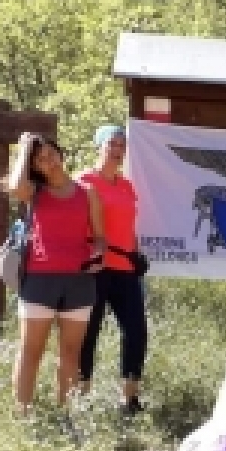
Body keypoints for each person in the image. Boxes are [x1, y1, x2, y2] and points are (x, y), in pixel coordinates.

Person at [6, 132, 106, 416]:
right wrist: (25, 148)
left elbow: (100, 237)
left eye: (50, 153)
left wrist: (98, 254)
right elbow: (14, 187)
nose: (47, 161)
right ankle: (22, 414)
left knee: (71, 353)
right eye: (40, 159)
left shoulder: (88, 192)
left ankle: (66, 416)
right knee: (31, 350)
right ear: (33, 166)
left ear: (60, 153)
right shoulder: (34, 192)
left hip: (80, 281)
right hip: (39, 281)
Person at [77, 125, 149, 417]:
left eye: (122, 145)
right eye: (112, 144)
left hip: (125, 270)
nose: (118, 150)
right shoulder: (84, 181)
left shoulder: (127, 185)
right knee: (88, 332)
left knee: (136, 332)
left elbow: (128, 226)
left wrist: (136, 253)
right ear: (99, 146)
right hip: (95, 269)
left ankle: (130, 399)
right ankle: (81, 397)